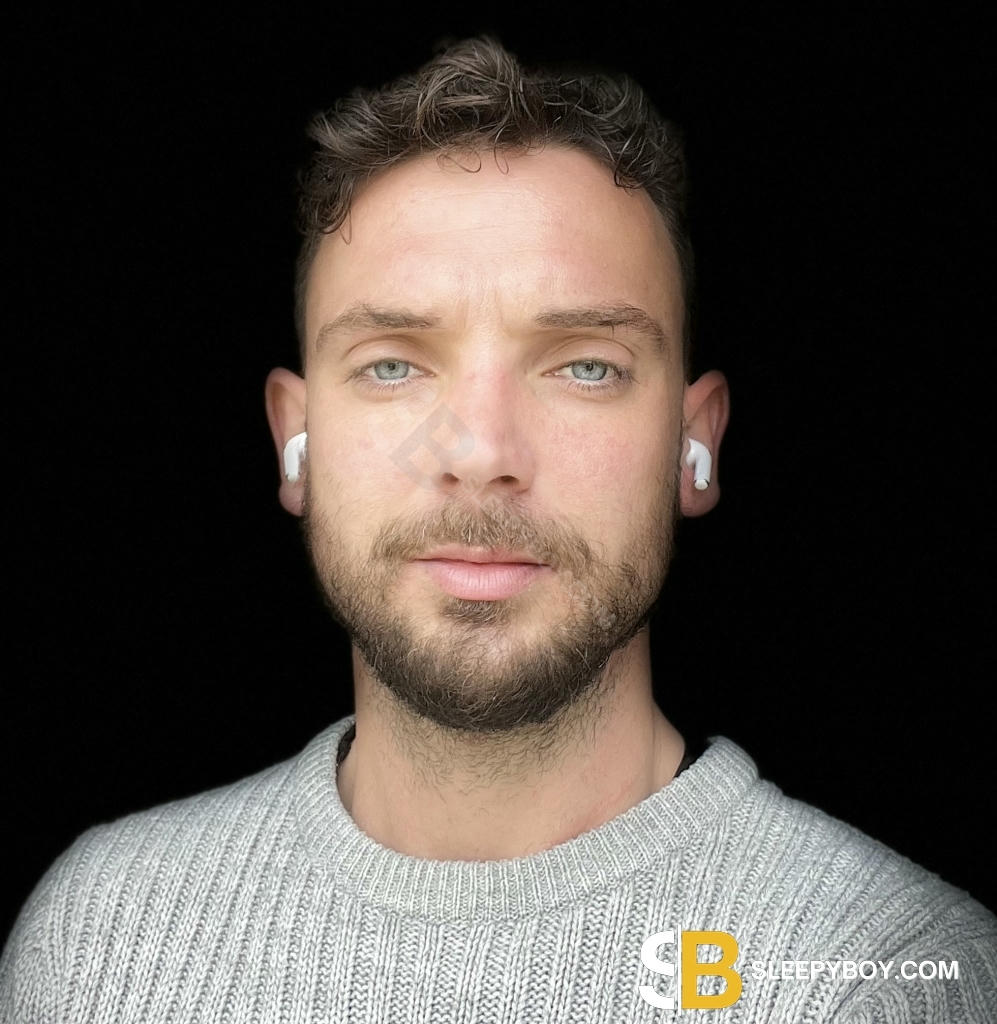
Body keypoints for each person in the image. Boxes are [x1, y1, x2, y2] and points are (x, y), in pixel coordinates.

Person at [2, 35, 994, 1024]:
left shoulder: (884, 974)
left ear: (693, 446)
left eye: (585, 365)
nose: (480, 453)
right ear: (294, 442)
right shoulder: (98, 938)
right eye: (393, 364)